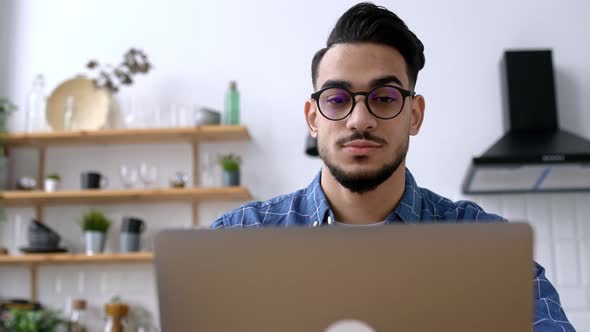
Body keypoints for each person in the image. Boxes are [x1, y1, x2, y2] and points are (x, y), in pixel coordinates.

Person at [211, 3, 574, 331]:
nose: (359, 119)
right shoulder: (237, 238)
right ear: (313, 118)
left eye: (383, 98)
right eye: (337, 99)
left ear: (414, 116)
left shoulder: (489, 250)